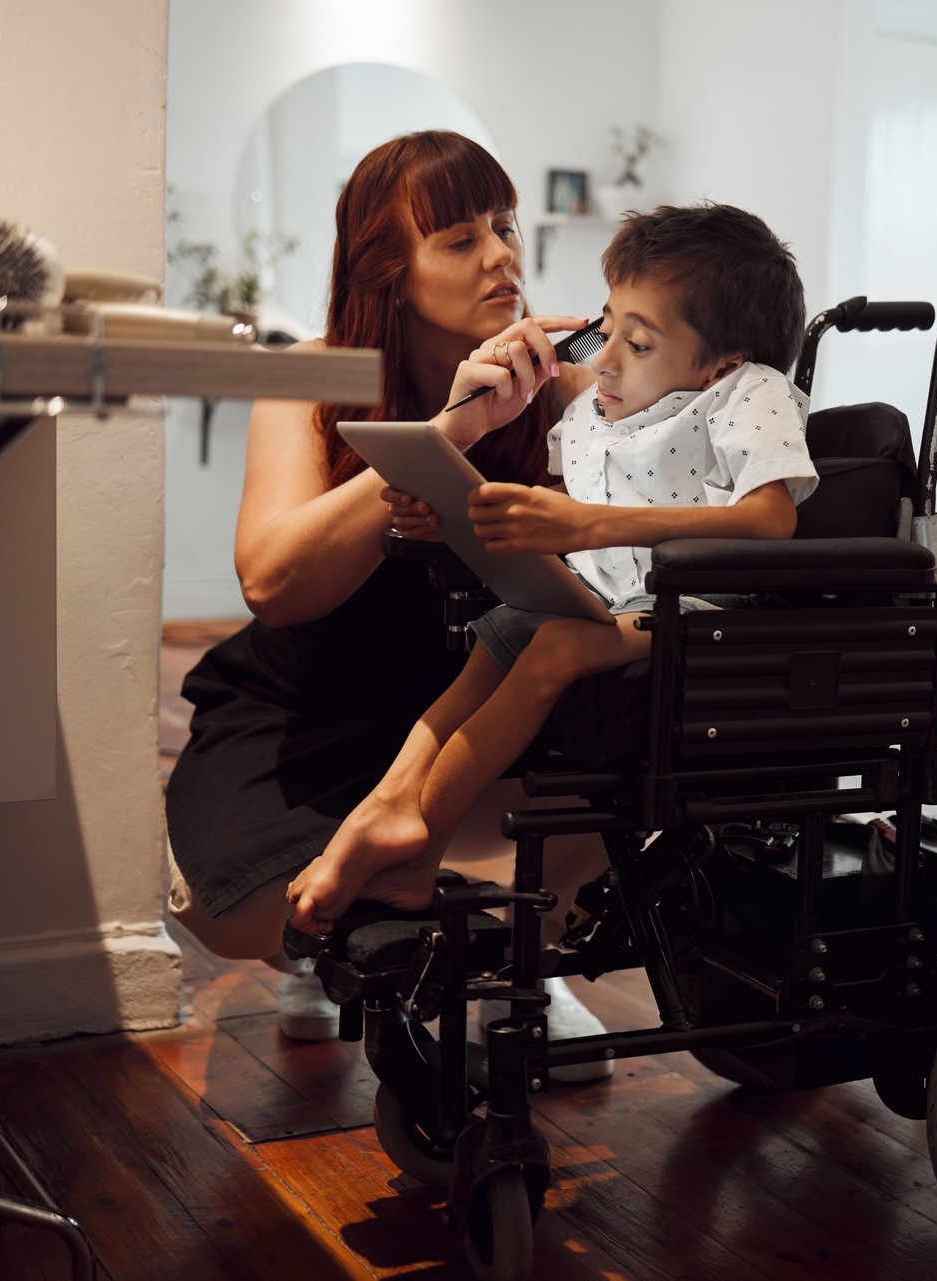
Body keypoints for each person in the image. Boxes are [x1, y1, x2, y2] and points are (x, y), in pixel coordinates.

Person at [164, 131, 610, 1067]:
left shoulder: (559, 382)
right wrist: (447, 433)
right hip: (306, 712)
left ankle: (532, 968)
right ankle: (337, 953)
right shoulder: (309, 378)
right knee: (226, 902)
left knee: (645, 777)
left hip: (467, 721)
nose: (500, 255)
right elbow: (272, 583)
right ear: (389, 272)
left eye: (504, 225)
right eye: (457, 239)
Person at [286, 202, 817, 934]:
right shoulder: (603, 411)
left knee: (555, 645)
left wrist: (591, 523)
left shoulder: (747, 392)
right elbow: (565, 507)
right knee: (497, 634)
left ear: (720, 361)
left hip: (712, 608)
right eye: (608, 325)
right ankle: (390, 813)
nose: (604, 357)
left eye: (638, 341)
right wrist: (461, 515)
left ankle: (418, 836)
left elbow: (770, 521)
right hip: (621, 602)